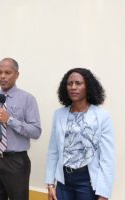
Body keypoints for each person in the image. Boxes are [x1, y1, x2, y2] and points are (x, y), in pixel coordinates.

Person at [0, 58, 42, 200]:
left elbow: (36, 132)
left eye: (7, 72)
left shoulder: (27, 99)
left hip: (15, 162)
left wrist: (10, 120)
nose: (2, 76)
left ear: (17, 75)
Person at [45, 68, 115, 200]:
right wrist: (50, 184)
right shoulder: (59, 114)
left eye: (78, 83)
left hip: (87, 181)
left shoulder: (102, 116)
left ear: (87, 86)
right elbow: (53, 150)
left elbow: (107, 158)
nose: (73, 87)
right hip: (63, 180)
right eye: (69, 84)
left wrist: (104, 193)